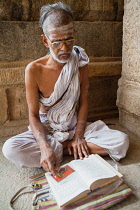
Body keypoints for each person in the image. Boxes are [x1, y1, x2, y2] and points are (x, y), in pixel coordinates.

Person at [2, 2, 129, 175]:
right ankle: (68, 149)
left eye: (69, 40)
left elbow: (84, 102)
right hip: (48, 129)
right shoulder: (34, 70)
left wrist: (78, 136)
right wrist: (44, 146)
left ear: (75, 35)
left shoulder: (80, 62)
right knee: (11, 149)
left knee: (121, 141)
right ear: (45, 41)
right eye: (56, 42)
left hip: (73, 125)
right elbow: (32, 115)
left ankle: (66, 147)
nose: (64, 48)